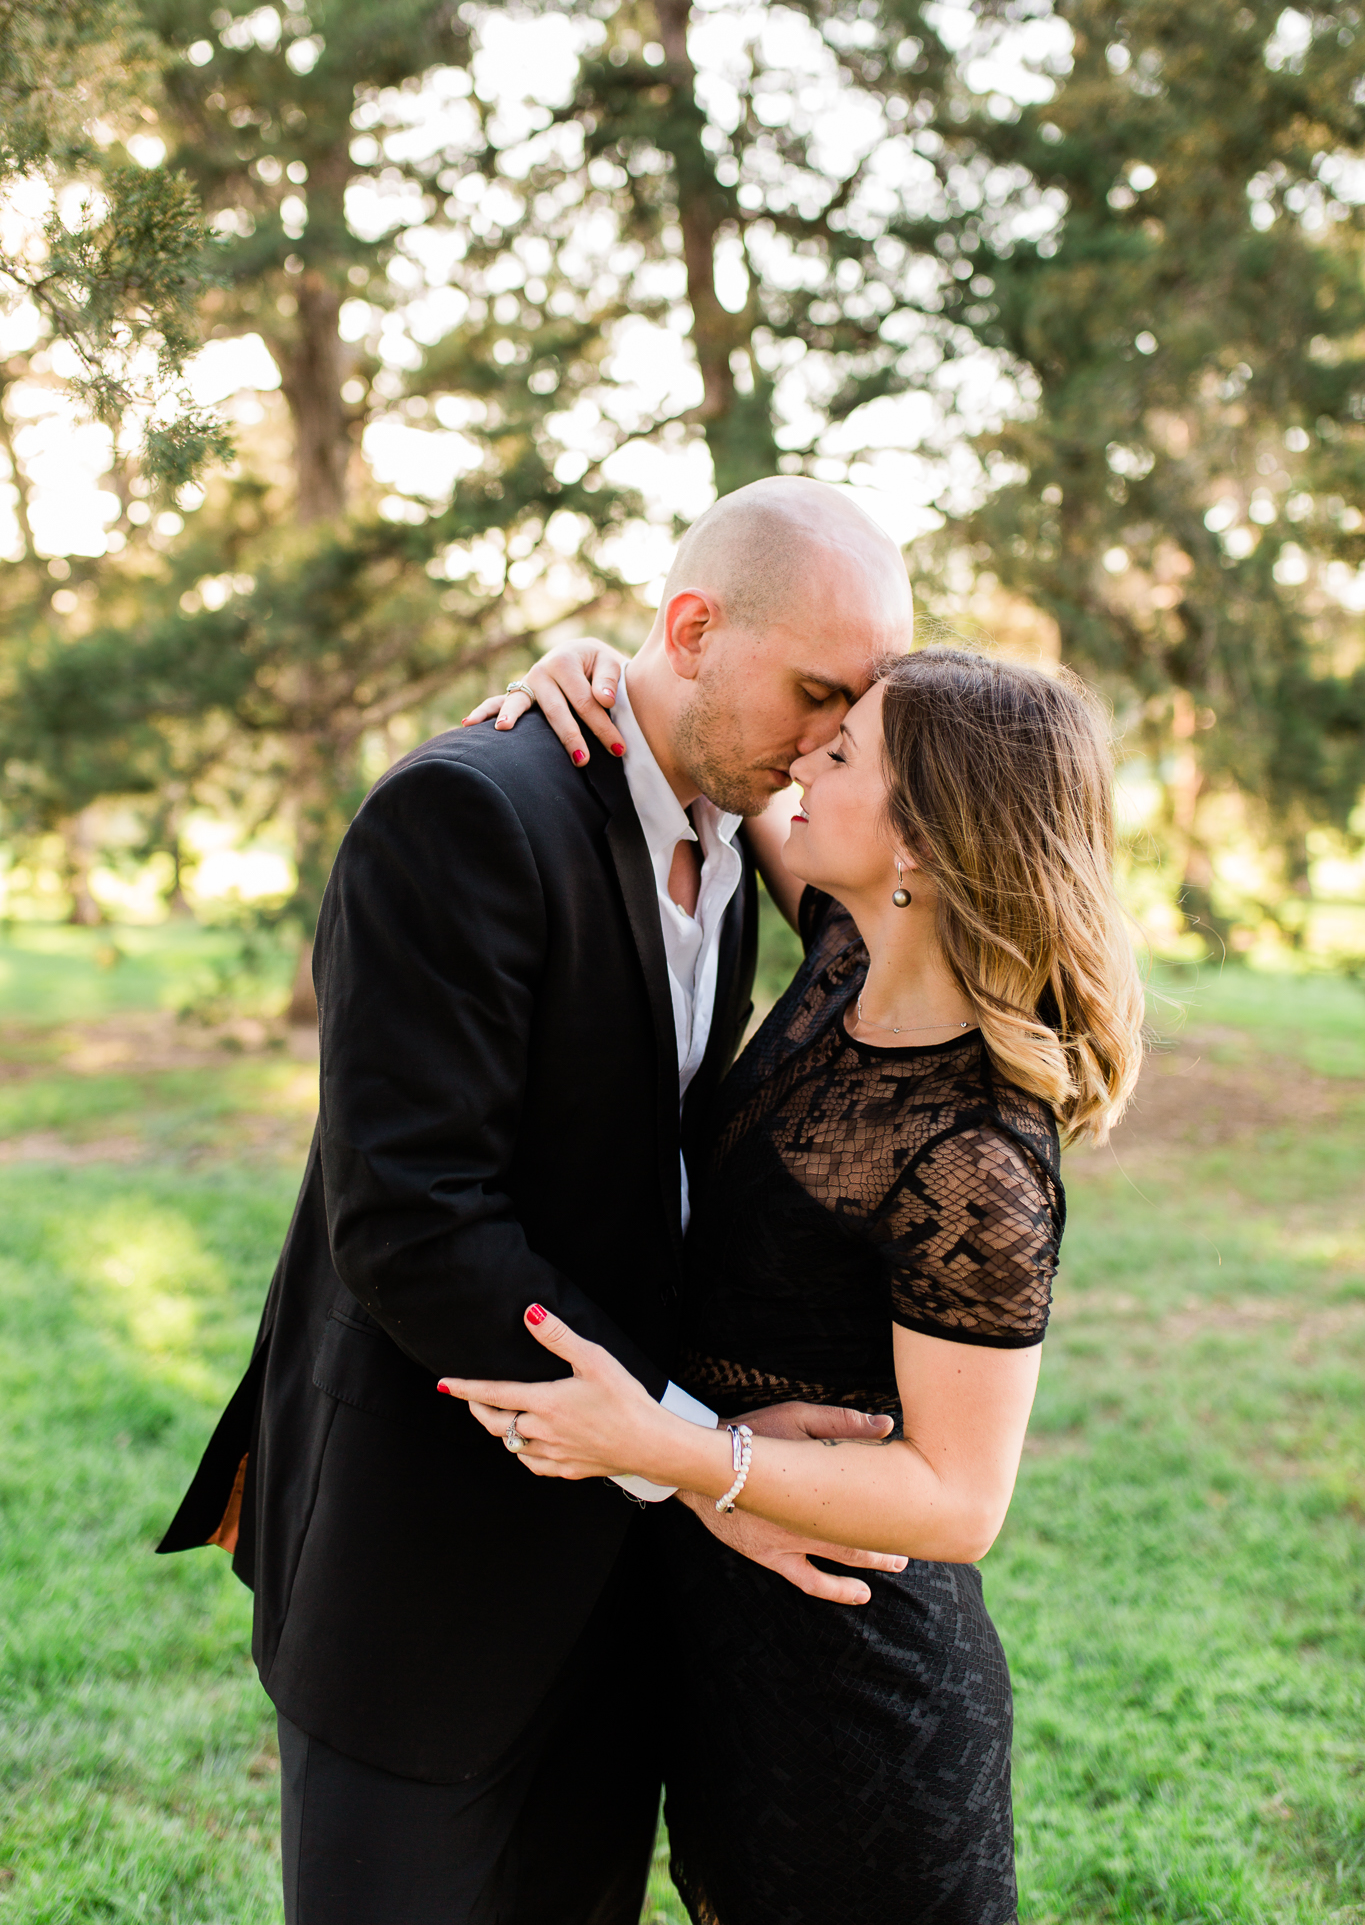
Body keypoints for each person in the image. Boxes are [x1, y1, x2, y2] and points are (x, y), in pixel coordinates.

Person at [156, 475, 916, 1925]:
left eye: (855, 706)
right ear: (690, 628)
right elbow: (413, 1222)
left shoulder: (748, 838)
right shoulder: (467, 812)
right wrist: (690, 1452)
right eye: (817, 692)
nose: (832, 739)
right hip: (421, 1579)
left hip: (613, 1598)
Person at [441, 643, 1147, 1924]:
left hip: (857, 1695)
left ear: (925, 839)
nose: (799, 765)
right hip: (727, 1646)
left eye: (841, 753)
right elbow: (708, 734)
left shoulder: (978, 1157)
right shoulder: (847, 946)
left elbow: (958, 1497)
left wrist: (675, 1445)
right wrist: (602, 660)